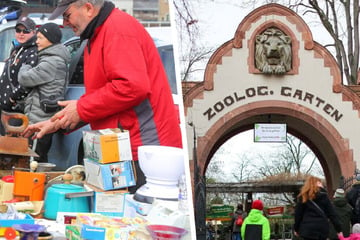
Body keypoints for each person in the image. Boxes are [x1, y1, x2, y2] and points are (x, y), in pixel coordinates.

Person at [22, 0, 182, 192]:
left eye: (67, 15)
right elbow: (106, 97)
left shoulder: (117, 30)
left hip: (144, 152)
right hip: (124, 148)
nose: (65, 24)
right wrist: (57, 122)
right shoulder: (97, 35)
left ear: (88, 8)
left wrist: (81, 108)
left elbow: (132, 86)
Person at [16, 22, 70, 162]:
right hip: (40, 116)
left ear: (50, 40)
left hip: (41, 118)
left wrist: (25, 65)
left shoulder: (52, 62)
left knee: (34, 161)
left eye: (40, 38)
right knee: (34, 159)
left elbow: (24, 78)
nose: (37, 41)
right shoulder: (50, 58)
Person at [0, 17, 38, 135]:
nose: (21, 34)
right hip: (5, 109)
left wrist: (12, 99)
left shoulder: (33, 52)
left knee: (11, 148)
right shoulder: (18, 49)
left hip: (17, 110)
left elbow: (28, 81)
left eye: (25, 31)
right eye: (18, 30)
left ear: (33, 32)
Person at [294, 175, 343, 240]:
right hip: (322, 229)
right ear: (319, 184)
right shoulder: (324, 197)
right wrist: (339, 230)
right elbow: (333, 215)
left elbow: (298, 215)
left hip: (308, 229)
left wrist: (296, 228)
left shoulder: (303, 197)